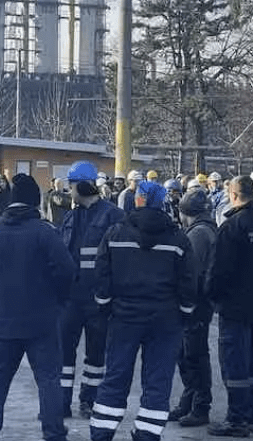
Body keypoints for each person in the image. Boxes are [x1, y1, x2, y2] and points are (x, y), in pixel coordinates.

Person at [0, 173, 76, 441]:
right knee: (48, 380)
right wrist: (57, 300)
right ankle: (53, 433)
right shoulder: (46, 234)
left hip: (3, 320)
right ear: (35, 202)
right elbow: (67, 271)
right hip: (42, 321)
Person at [89, 181, 197, 441]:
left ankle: (102, 433)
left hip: (124, 317)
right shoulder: (178, 239)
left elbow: (101, 274)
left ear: (137, 200)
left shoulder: (115, 234)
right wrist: (186, 312)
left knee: (115, 377)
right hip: (165, 319)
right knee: (158, 381)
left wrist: (105, 306)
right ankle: (148, 435)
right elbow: (188, 282)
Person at [207, 176, 253, 437]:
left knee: (235, 362)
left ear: (234, 195)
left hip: (234, 305)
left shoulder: (232, 227)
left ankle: (236, 419)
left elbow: (219, 270)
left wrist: (211, 296)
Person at [59, 161, 126, 418]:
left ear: (84, 185)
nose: (70, 190)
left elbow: (121, 259)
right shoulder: (70, 216)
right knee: (63, 354)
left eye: (72, 185)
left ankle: (89, 401)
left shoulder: (113, 216)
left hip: (99, 299)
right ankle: (61, 402)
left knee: (96, 355)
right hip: (70, 299)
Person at [168, 189, 219, 426]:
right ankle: (188, 402)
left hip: (195, 304)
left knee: (194, 355)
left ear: (185, 212)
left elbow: (191, 272)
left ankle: (200, 406)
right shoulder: (207, 229)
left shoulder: (197, 234)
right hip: (201, 302)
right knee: (188, 353)